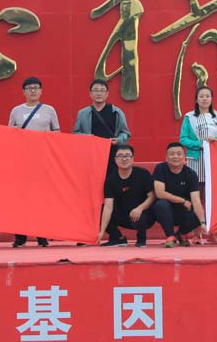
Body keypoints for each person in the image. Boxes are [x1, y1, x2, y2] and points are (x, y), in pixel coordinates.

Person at [8, 76, 60, 248]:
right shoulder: (16, 111)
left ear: (41, 91)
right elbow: (9, 134)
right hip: (21, 161)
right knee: (20, 199)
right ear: (24, 91)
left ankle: (41, 235)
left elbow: (57, 132)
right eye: (29, 88)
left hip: (43, 161)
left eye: (36, 88)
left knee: (42, 198)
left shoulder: (49, 110)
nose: (33, 91)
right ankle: (20, 236)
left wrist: (45, 137)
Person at [97, 145, 156, 248]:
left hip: (144, 214)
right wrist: (101, 232)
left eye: (127, 156)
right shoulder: (111, 180)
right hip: (123, 215)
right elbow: (108, 206)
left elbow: (152, 196)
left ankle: (141, 238)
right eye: (120, 156)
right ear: (115, 159)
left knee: (140, 216)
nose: (124, 159)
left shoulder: (143, 174)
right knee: (100, 210)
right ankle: (117, 238)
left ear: (132, 158)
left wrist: (140, 208)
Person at [72, 78, 131, 176]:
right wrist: (85, 137)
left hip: (112, 154)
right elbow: (75, 133)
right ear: (90, 94)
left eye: (102, 90)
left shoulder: (116, 112)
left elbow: (125, 133)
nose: (99, 93)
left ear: (107, 94)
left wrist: (118, 140)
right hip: (90, 155)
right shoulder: (82, 113)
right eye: (95, 90)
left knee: (111, 179)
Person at [153, 142, 207, 247]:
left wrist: (202, 222)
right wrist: (182, 201)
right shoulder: (160, 168)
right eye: (172, 154)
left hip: (184, 211)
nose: (175, 157)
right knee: (161, 204)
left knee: (199, 214)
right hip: (165, 211)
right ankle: (170, 236)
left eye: (179, 154)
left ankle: (180, 234)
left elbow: (196, 200)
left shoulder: (191, 174)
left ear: (184, 157)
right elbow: (160, 193)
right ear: (166, 157)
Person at [180, 86, 217, 207]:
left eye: (207, 96)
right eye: (201, 96)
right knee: (197, 188)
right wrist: (200, 145)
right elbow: (183, 139)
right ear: (196, 99)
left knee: (212, 188)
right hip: (196, 158)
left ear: (211, 99)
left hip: (214, 158)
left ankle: (212, 215)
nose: (204, 99)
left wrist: (216, 141)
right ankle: (197, 215)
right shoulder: (189, 117)